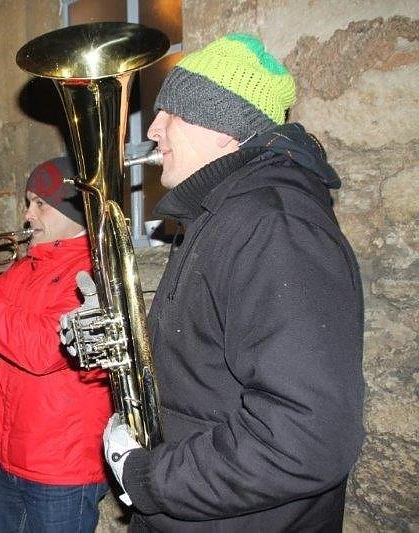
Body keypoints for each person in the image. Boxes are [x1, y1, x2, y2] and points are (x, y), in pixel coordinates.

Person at [97, 33, 365, 531]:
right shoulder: (220, 217)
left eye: (171, 112)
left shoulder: (275, 225)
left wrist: (150, 478)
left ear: (225, 128)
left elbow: (305, 437)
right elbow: (204, 370)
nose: (153, 129)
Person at [0, 157, 113, 532]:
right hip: (14, 459)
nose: (28, 215)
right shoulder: (26, 267)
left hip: (62, 471)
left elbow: (42, 350)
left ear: (73, 210)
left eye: (40, 204)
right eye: (28, 202)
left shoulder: (93, 273)